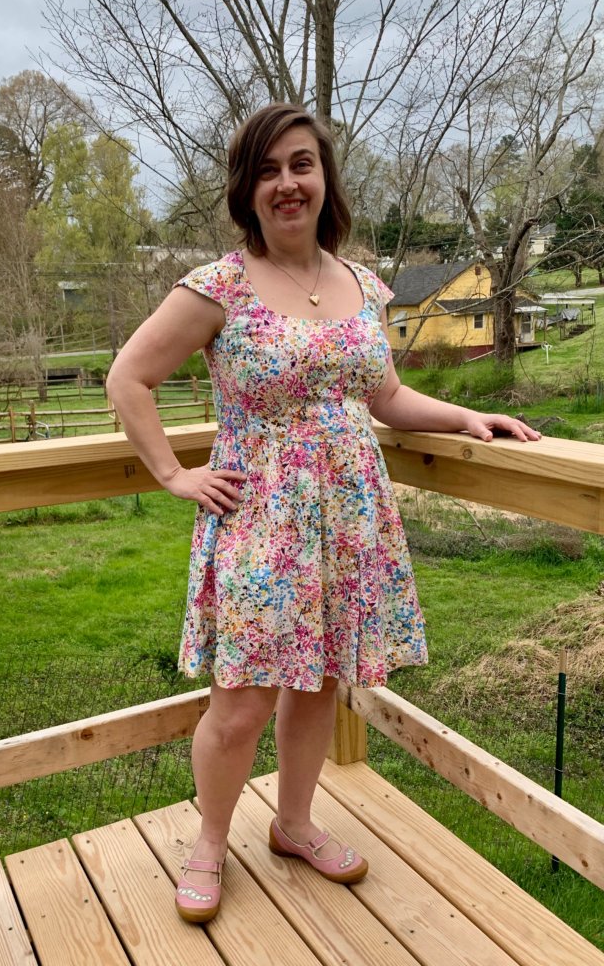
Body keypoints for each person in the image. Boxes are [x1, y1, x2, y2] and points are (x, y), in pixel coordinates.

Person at [105, 103, 540, 924]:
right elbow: (128, 377)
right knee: (241, 698)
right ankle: (208, 841)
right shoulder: (218, 287)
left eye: (301, 164)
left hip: (348, 515)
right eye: (268, 170)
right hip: (261, 517)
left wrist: (467, 420)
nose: (287, 183)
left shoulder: (360, 282)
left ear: (324, 177)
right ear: (248, 189)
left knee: (319, 684)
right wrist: (172, 472)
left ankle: (295, 823)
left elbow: (385, 396)